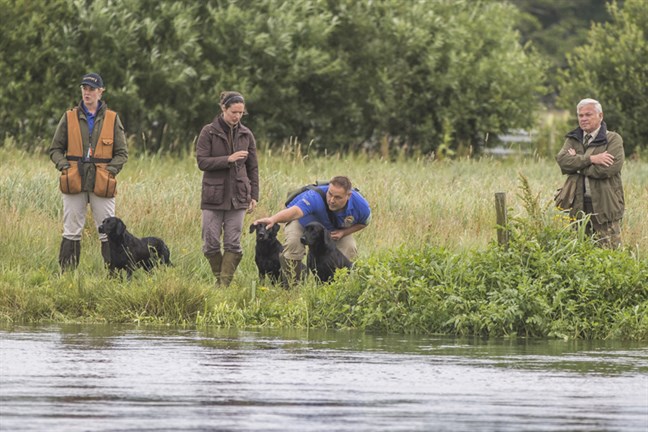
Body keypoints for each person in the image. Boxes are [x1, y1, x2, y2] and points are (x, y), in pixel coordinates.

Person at [49, 72, 128, 271]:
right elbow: (55, 149)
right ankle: (67, 276)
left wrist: (110, 171)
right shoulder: (68, 117)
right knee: (71, 230)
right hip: (74, 179)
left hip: (102, 181)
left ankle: (114, 276)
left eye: (92, 89)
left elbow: (122, 153)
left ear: (101, 92)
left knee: (108, 232)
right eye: (84, 88)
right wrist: (64, 166)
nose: (87, 92)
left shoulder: (112, 118)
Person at [254, 176, 371, 285]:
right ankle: (292, 286)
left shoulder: (361, 205)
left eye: (338, 197)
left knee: (349, 246)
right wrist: (273, 219)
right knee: (294, 243)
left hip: (331, 228)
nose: (331, 200)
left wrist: (344, 233)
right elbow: (295, 212)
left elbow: (364, 223)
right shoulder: (314, 197)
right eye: (330, 194)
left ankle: (339, 285)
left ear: (348, 196)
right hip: (302, 221)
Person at [197, 91, 259, 287]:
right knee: (210, 243)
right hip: (213, 196)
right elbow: (202, 162)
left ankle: (223, 286)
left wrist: (254, 195)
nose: (237, 116)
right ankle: (220, 280)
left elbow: (253, 168)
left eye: (241, 113)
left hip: (239, 196)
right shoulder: (208, 131)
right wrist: (228, 159)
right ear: (223, 108)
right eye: (234, 112)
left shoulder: (246, 134)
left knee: (233, 243)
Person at [556, 98, 625, 248]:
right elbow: (562, 161)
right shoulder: (573, 138)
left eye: (588, 114)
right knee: (580, 253)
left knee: (610, 254)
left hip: (605, 204)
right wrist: (592, 158)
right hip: (579, 204)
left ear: (600, 116)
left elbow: (605, 170)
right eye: (580, 115)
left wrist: (577, 163)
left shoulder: (613, 139)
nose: (584, 119)